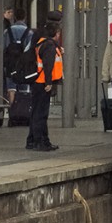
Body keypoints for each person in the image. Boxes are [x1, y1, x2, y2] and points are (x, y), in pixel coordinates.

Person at [27, 23, 64, 152]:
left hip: (38, 82)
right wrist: (49, 83)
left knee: (36, 112)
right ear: (56, 34)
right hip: (43, 83)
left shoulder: (41, 43)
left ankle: (33, 140)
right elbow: (48, 65)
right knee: (41, 114)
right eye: (59, 33)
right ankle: (39, 142)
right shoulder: (49, 46)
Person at [3, 8, 33, 105]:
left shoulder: (7, 31)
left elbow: (3, 48)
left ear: (15, 18)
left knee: (11, 88)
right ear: (24, 18)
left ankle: (12, 110)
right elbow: (30, 50)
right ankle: (22, 111)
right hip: (23, 66)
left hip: (10, 64)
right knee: (24, 89)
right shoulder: (29, 32)